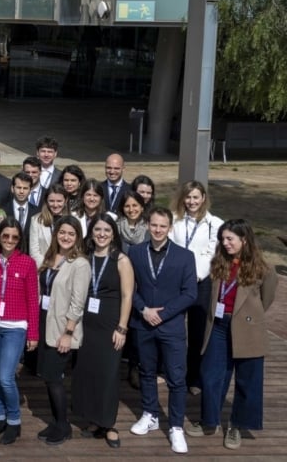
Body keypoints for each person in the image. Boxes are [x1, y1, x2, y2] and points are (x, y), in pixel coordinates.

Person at [192, 218, 277, 450]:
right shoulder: (220, 263)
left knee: (247, 381)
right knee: (210, 375)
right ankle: (209, 420)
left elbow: (265, 299)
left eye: (230, 239)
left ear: (244, 240)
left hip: (247, 328)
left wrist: (249, 316)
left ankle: (236, 426)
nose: (225, 243)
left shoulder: (263, 268)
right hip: (218, 326)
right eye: (223, 239)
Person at [129, 207, 197, 454]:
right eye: (154, 225)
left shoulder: (184, 256)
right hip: (143, 323)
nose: (158, 230)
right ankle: (150, 414)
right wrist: (144, 309)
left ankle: (176, 426)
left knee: (176, 378)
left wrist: (163, 313)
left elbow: (190, 293)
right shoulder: (135, 253)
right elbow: (130, 288)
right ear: (148, 225)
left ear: (170, 228)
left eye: (163, 226)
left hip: (171, 326)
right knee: (146, 372)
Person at [72, 215, 133, 448]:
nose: (102, 234)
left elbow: (127, 296)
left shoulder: (121, 260)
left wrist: (122, 327)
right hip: (87, 323)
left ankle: (109, 423)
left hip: (110, 324)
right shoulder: (85, 258)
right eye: (97, 229)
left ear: (113, 233)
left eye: (107, 230)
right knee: (89, 372)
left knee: (108, 374)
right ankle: (94, 420)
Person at [0, 219, 40, 445]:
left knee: (5, 377)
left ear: (19, 239)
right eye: (6, 236)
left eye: (14, 237)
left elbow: (33, 299)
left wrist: (33, 333)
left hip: (15, 326)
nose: (10, 241)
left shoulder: (27, 263)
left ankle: (14, 419)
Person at [36, 217, 90, 446]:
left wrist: (68, 332)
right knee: (48, 378)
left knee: (55, 378)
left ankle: (64, 425)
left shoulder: (80, 264)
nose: (66, 237)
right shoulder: (50, 257)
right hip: (45, 322)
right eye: (62, 232)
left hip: (62, 328)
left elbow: (78, 302)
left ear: (77, 237)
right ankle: (57, 421)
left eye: (71, 234)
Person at [170, 180, 223, 395]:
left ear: (203, 199)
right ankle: (169, 371)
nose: (192, 201)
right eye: (188, 197)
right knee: (172, 330)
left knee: (198, 331)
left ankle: (194, 377)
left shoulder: (215, 224)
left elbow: (210, 254)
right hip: (175, 282)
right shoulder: (175, 220)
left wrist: (196, 276)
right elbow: (171, 246)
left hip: (201, 282)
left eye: (196, 197)